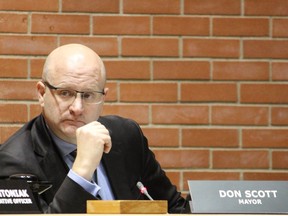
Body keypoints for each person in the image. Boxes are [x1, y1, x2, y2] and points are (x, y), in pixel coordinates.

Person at [0, 44, 188, 213]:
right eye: (65, 93)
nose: (77, 108)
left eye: (88, 95)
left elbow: (174, 208)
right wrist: (82, 170)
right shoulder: (12, 162)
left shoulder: (126, 136)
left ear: (103, 98)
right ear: (42, 93)